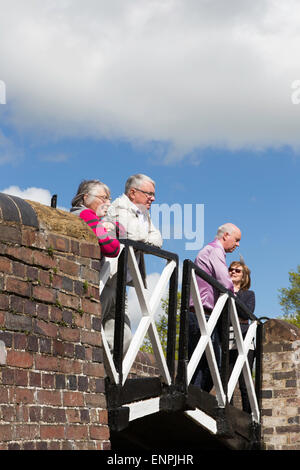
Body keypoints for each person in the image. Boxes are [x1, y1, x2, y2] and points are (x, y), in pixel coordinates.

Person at [101, 174, 162, 353]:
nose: (153, 198)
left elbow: (158, 239)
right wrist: (145, 239)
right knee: (94, 322)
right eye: (149, 193)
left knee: (124, 337)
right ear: (133, 192)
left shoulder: (144, 214)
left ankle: (108, 374)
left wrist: (144, 239)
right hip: (109, 279)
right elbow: (132, 236)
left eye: (153, 194)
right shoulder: (119, 206)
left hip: (122, 284)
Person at [188, 223, 241, 392]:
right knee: (212, 365)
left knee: (202, 362)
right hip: (203, 312)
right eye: (236, 239)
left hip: (201, 312)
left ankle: (194, 397)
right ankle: (195, 399)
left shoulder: (210, 250)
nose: (238, 244)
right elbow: (224, 281)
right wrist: (234, 297)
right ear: (226, 235)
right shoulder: (215, 250)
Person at [228, 260, 255, 413]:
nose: (233, 272)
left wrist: (233, 294)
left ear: (244, 276)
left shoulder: (249, 294)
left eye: (237, 271)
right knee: (226, 381)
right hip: (227, 340)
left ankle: (248, 417)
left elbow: (247, 313)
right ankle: (228, 413)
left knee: (244, 383)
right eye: (230, 269)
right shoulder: (222, 292)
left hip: (244, 340)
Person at [70, 179, 121, 258]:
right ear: (86, 198)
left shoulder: (85, 215)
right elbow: (112, 250)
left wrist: (112, 226)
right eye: (104, 198)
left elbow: (124, 230)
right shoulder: (86, 214)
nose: (108, 203)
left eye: (109, 199)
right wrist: (110, 232)